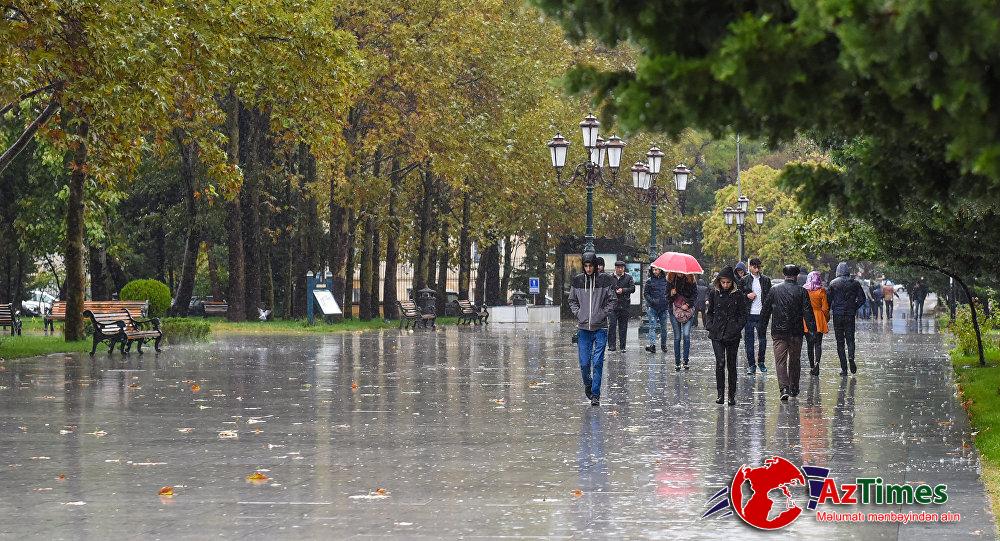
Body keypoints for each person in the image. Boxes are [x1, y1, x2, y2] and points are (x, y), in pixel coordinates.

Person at [758, 264, 817, 401]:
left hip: (778, 331)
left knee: (780, 361)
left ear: (784, 275)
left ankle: (784, 388)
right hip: (796, 332)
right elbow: (808, 313)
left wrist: (762, 329)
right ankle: (794, 387)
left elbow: (765, 311)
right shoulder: (802, 292)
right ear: (796, 276)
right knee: (795, 360)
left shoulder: (774, 290)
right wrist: (812, 331)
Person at [568, 252, 616, 406]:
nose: (588, 269)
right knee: (584, 363)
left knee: (597, 362)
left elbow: (612, 300)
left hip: (601, 327)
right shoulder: (577, 281)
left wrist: (602, 313)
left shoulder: (605, 280)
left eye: (591, 266)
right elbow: (572, 300)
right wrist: (578, 313)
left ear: (595, 266)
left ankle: (595, 394)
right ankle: (588, 384)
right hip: (583, 328)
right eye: (586, 266)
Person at [706, 266, 748, 405]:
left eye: (728, 283)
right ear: (719, 282)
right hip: (717, 333)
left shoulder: (738, 295)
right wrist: (710, 325)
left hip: (732, 334)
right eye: (723, 282)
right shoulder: (714, 293)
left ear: (732, 282)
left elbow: (743, 315)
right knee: (720, 362)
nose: (725, 285)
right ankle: (720, 394)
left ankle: (731, 395)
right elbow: (710, 312)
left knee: (731, 364)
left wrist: (736, 327)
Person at [829, 262, 867, 375]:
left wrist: (833, 308)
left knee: (840, 342)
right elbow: (862, 299)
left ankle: (844, 368)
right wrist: (853, 307)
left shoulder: (833, 283)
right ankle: (851, 357)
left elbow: (828, 300)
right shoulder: (855, 283)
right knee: (850, 339)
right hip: (850, 314)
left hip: (838, 315)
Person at [741, 257, 771, 375]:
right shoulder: (744, 280)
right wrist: (747, 295)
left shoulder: (766, 280)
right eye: (755, 267)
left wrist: (768, 311)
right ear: (750, 267)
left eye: (759, 267)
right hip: (748, 314)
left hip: (762, 314)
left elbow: (769, 296)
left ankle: (761, 362)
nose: (757, 269)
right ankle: (751, 365)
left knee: (762, 339)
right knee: (749, 341)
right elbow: (739, 294)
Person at [667, 272, 698, 370]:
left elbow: (695, 295)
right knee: (677, 337)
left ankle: (685, 360)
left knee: (686, 335)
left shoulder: (691, 279)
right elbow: (667, 297)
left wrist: (688, 304)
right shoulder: (671, 279)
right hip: (674, 311)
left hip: (688, 312)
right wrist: (671, 294)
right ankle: (677, 362)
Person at [803, 271, 830, 376]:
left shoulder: (804, 290)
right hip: (819, 318)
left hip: (807, 319)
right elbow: (825, 308)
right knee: (818, 344)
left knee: (809, 344)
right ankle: (817, 363)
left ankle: (811, 366)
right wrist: (826, 319)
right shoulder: (821, 291)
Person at [608, 260, 635, 352]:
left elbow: (633, 288)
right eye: (618, 267)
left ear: (624, 268)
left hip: (624, 305)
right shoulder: (610, 277)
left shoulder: (628, 277)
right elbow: (607, 289)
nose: (620, 269)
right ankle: (612, 345)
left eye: (621, 268)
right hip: (613, 306)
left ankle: (623, 346)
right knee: (612, 325)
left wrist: (623, 290)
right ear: (615, 268)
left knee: (623, 327)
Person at [644, 266, 670, 353]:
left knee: (664, 328)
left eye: (657, 269)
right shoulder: (649, 281)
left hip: (663, 307)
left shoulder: (666, 281)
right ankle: (652, 345)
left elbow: (668, 292)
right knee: (652, 327)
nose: (655, 271)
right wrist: (652, 301)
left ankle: (663, 345)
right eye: (654, 270)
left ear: (660, 270)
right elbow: (646, 294)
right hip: (653, 307)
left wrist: (667, 300)